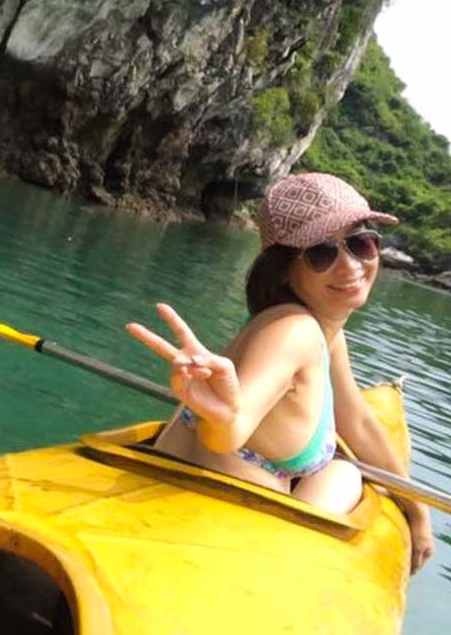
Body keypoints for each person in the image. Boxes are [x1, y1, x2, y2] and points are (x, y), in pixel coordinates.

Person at [126, 173, 435, 574]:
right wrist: (224, 418)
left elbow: (356, 419)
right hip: (216, 539)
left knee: (343, 469)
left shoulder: (322, 332)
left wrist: (418, 512)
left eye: (362, 242)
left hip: (176, 498)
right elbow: (231, 430)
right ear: (285, 270)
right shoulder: (294, 332)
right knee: (345, 473)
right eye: (321, 253)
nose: (351, 265)